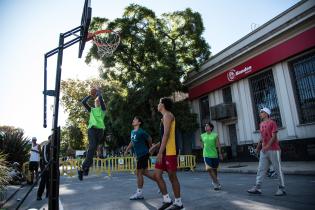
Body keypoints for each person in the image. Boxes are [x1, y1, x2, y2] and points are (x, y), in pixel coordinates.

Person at [149, 97, 184, 210]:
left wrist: (159, 153)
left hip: (170, 151)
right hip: (164, 151)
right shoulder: (164, 117)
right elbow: (163, 137)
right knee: (157, 175)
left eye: (159, 103)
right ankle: (167, 199)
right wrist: (155, 146)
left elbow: (167, 135)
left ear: (163, 105)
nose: (157, 105)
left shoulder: (168, 115)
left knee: (172, 177)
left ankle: (178, 203)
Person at [247, 107, 286, 196]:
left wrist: (268, 146)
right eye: (260, 113)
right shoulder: (261, 124)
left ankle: (281, 188)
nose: (260, 114)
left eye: (261, 112)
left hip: (274, 150)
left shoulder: (272, 123)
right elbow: (262, 137)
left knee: (277, 169)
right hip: (264, 150)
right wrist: (257, 148)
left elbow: (274, 136)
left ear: (266, 113)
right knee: (261, 169)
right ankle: (258, 187)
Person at [124, 116, 156, 200]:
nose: (133, 120)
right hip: (139, 155)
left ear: (139, 123)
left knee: (138, 173)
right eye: (133, 119)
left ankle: (139, 193)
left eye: (135, 120)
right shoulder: (132, 132)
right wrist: (127, 149)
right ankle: (159, 182)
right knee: (145, 172)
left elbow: (149, 138)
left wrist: (150, 147)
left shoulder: (141, 132)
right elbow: (132, 141)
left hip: (143, 154)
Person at [78, 87, 106, 181]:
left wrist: (99, 94)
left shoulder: (103, 110)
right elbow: (83, 102)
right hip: (92, 130)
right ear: (94, 103)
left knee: (93, 150)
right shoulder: (92, 110)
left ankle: (85, 168)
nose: (97, 102)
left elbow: (101, 101)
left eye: (98, 101)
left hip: (100, 131)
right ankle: (83, 168)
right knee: (92, 147)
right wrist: (90, 95)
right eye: (96, 101)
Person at [200, 122, 223, 190]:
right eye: (205, 126)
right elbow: (201, 143)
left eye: (207, 126)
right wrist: (203, 148)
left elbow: (218, 145)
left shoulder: (215, 135)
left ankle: (214, 182)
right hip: (206, 155)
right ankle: (217, 183)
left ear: (211, 128)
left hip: (214, 155)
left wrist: (220, 153)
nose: (205, 127)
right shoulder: (202, 135)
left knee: (215, 170)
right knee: (209, 169)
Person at [37, 135, 51, 200]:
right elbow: (44, 155)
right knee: (43, 180)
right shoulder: (45, 145)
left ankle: (48, 194)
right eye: (51, 138)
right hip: (44, 165)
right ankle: (39, 195)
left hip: (50, 165)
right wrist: (46, 164)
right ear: (49, 139)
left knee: (49, 180)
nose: (52, 140)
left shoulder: (52, 146)